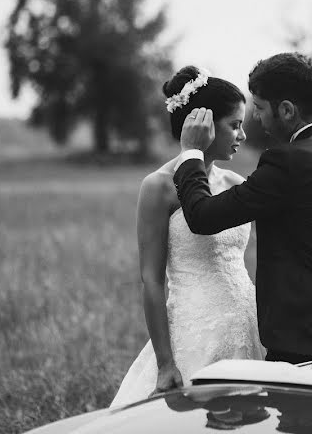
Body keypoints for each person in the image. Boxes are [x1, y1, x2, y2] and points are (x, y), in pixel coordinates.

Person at [174, 52, 312, 364]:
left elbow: (202, 216)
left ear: (287, 110)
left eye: (262, 109)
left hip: (307, 348)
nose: (259, 120)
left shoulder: (287, 161)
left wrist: (192, 152)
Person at [110, 66, 264, 407]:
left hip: (247, 325)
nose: (242, 135)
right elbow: (151, 280)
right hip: (194, 334)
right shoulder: (158, 187)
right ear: (204, 123)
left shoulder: (238, 185)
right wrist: (166, 362)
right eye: (235, 125)